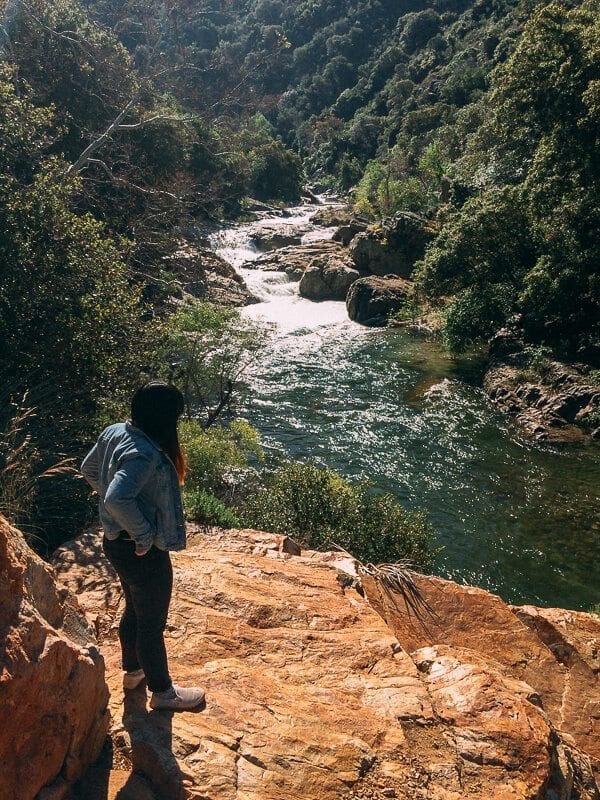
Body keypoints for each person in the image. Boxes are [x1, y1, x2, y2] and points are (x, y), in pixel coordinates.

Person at [81, 381, 205, 711]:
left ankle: (132, 671)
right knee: (151, 623)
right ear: (166, 418)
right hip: (140, 551)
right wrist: (144, 534)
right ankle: (163, 692)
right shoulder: (145, 453)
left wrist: (118, 517)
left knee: (135, 609)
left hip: (115, 544)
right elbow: (117, 497)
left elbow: (89, 469)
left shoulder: (116, 431)